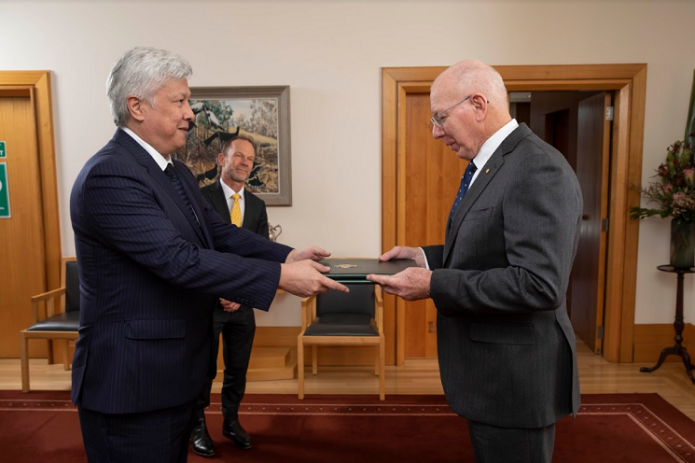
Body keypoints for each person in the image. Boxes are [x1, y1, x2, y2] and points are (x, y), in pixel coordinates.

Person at [70, 46, 347, 463]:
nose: (190, 113)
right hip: (131, 383)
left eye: (188, 101)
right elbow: (177, 258)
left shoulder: (173, 170)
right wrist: (277, 277)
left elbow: (215, 232)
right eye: (179, 101)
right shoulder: (110, 174)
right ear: (137, 107)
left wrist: (287, 256)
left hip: (173, 375)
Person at [367, 60, 582, 463]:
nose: (435, 131)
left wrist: (433, 285)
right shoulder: (495, 163)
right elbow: (488, 248)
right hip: (495, 376)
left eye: (440, 117)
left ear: (479, 104)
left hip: (515, 382)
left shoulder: (537, 167)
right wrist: (424, 258)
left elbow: (538, 284)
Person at [190, 134, 268, 457]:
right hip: (208, 302)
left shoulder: (258, 206)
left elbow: (261, 255)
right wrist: (223, 289)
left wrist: (241, 293)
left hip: (243, 304)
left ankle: (231, 421)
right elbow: (195, 250)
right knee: (204, 368)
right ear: (222, 159)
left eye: (249, 159)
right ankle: (197, 426)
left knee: (238, 368)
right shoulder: (201, 198)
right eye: (239, 156)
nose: (245, 163)